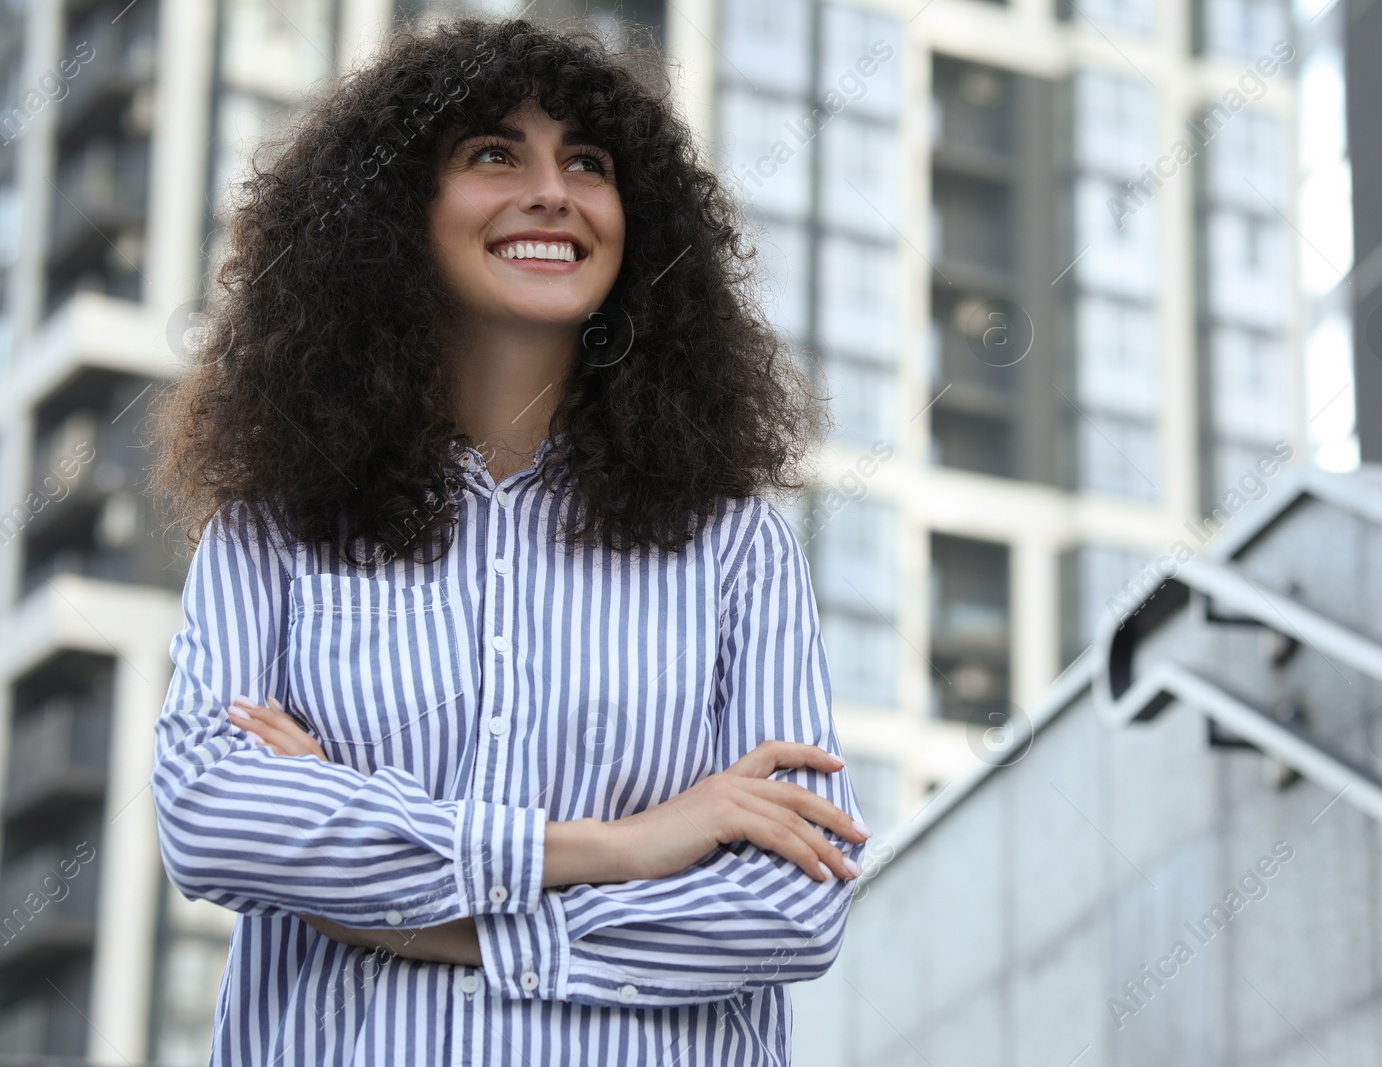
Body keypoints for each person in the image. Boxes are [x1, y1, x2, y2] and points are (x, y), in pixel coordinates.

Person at [147, 17, 869, 1066]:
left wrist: (389, 895)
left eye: (588, 162)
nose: (554, 192)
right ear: (395, 213)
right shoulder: (280, 525)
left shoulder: (733, 545)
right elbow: (215, 816)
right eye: (495, 153)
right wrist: (623, 845)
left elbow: (791, 902)